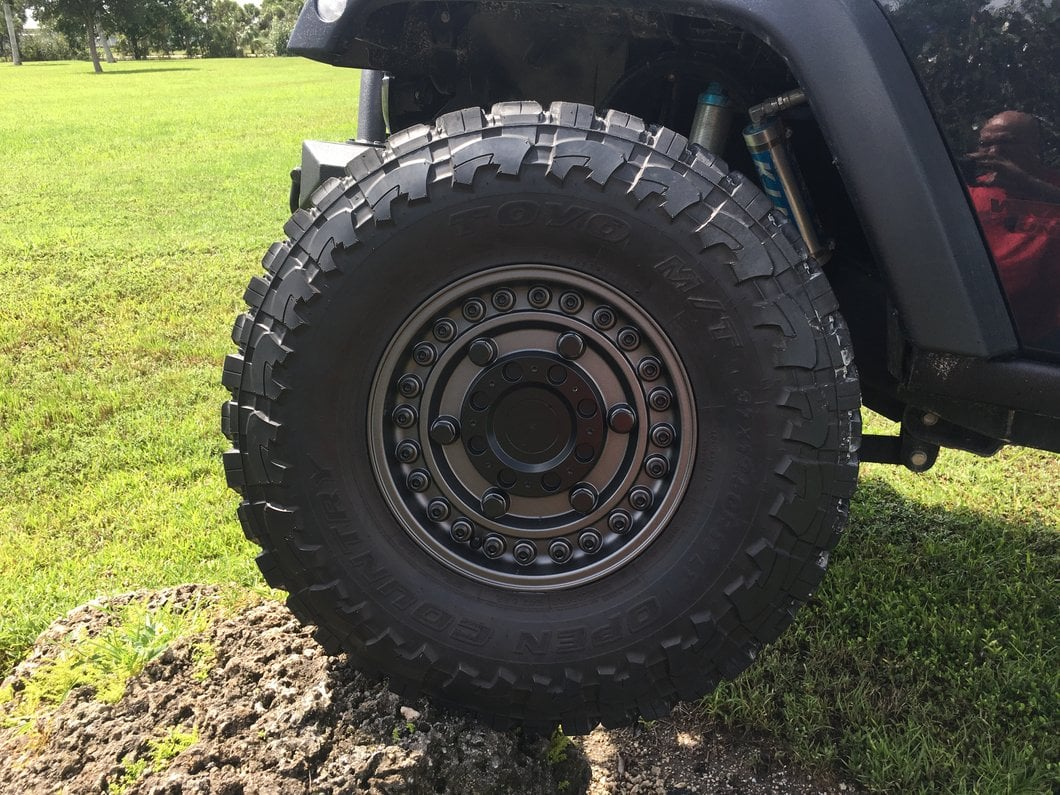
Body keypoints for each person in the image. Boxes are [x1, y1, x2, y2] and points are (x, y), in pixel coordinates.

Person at [967, 110, 1060, 349]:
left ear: (1035, 146)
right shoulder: (970, 192)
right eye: (986, 144)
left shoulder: (1052, 187)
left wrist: (1028, 184)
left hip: (1049, 334)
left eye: (1006, 142)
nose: (995, 153)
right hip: (982, 328)